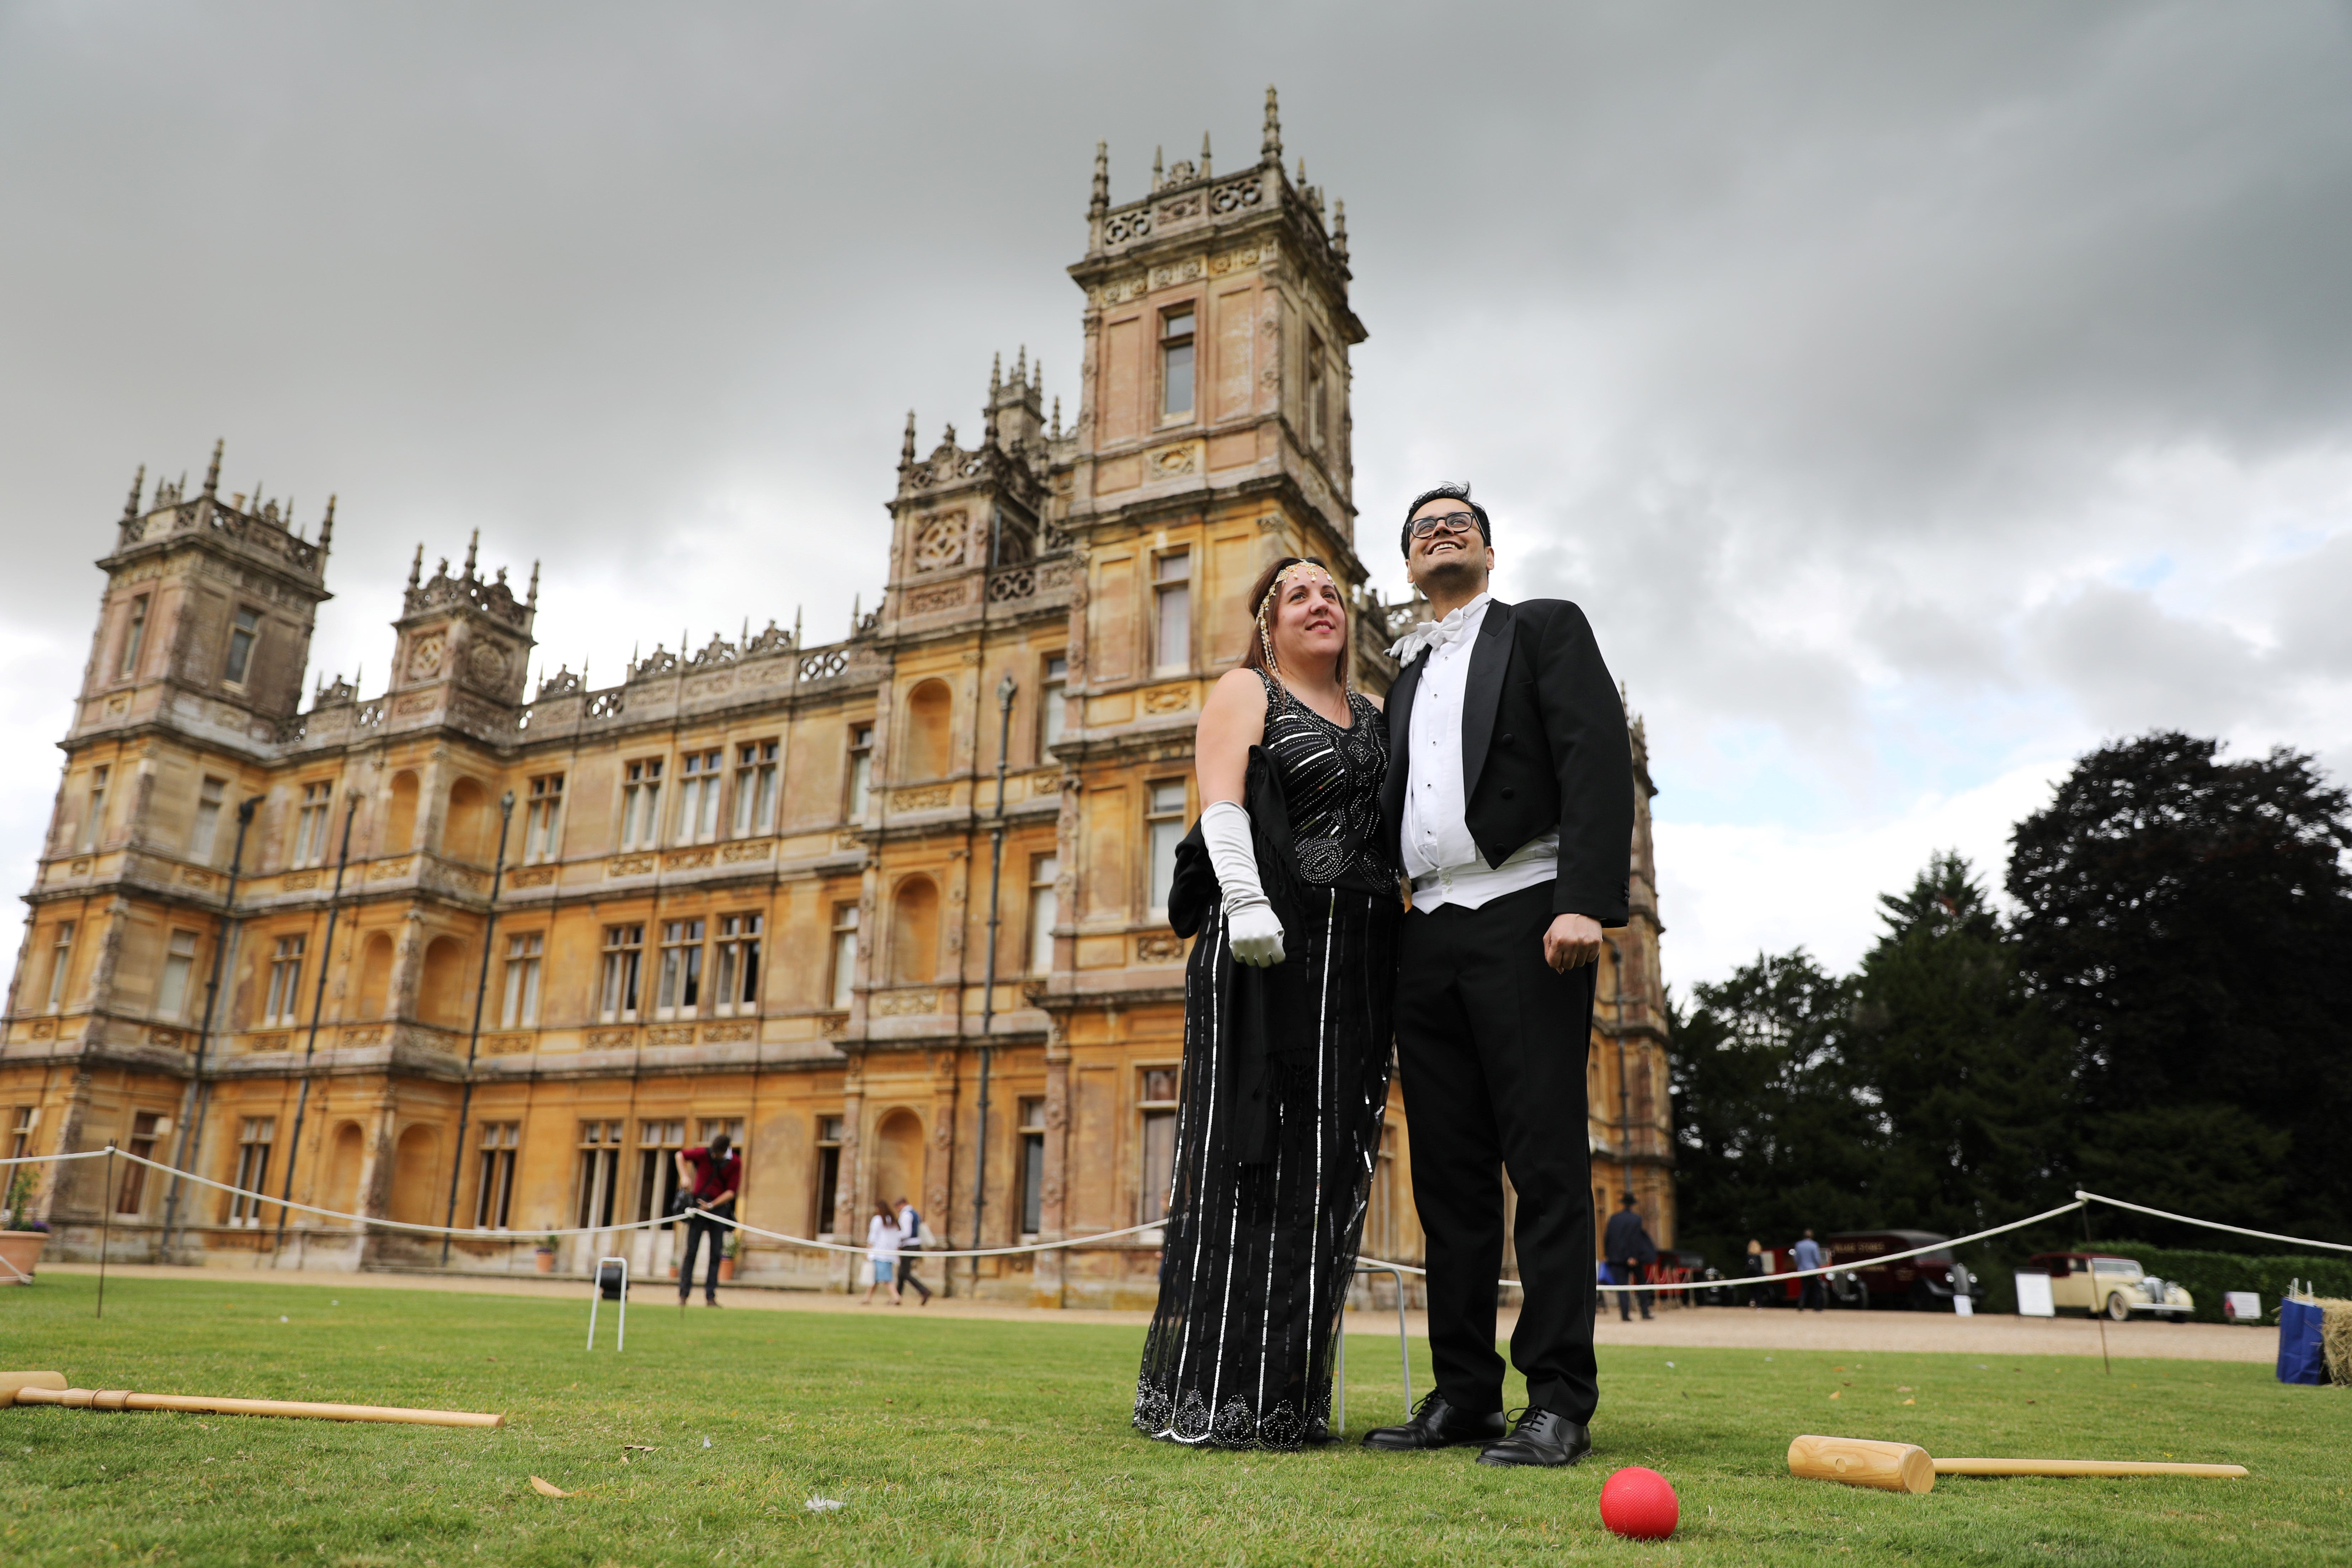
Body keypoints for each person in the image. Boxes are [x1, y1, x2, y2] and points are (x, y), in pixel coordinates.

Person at [1360, 484, 1633, 1470]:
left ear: (1486, 550)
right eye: (1422, 528)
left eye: (1457, 524)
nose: (1440, 532)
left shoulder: (1542, 629)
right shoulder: (1398, 678)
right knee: (1448, 1180)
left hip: (1526, 909)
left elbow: (1592, 758)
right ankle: (1465, 1393)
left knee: (1548, 1168)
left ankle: (1557, 1397)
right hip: (1423, 927)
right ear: (1405, 566)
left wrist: (1584, 898)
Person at [1132, 555, 1399, 1450]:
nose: (1320, 604)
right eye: (1299, 595)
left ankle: (1286, 1395)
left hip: (1359, 959)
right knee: (1246, 1149)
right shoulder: (1247, 689)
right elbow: (1222, 801)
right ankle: (1214, 1391)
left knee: (1328, 1165)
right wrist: (1245, 899)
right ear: (1269, 621)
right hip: (1264, 948)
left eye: (1331, 593)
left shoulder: (1374, 715)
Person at [673, 1131, 740, 1308]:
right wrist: (685, 1177)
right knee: (691, 1251)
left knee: (716, 1254)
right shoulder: (705, 1153)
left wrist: (711, 1206)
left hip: (718, 1209)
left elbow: (731, 1192)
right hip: (698, 1205)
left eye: (716, 1153)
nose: (713, 1155)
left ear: (724, 1151)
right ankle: (683, 1295)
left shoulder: (735, 1163)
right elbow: (680, 1155)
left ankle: (710, 1297)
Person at [1602, 1194, 1657, 1322]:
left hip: (1617, 1258)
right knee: (1641, 1285)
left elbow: (1608, 1238)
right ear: (1633, 1205)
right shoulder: (1636, 1219)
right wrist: (1633, 1256)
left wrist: (1607, 1254)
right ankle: (1645, 1313)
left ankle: (1625, 1315)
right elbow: (1635, 1239)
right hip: (1634, 1258)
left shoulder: (1614, 1219)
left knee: (1622, 1287)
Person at [894, 1193, 933, 1306]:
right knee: (902, 1273)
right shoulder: (914, 1213)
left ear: (902, 1204)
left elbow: (907, 1233)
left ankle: (924, 1291)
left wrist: (895, 1237)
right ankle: (897, 1297)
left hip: (909, 1245)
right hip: (915, 1244)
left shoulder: (906, 1215)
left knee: (904, 1273)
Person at [863, 1200, 902, 1306]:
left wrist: (868, 1250)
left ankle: (896, 1297)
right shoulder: (893, 1221)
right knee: (874, 1278)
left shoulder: (877, 1220)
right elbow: (897, 1239)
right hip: (890, 1253)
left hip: (879, 1253)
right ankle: (867, 1298)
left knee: (886, 1279)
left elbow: (873, 1237)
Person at [1794, 1229, 1827, 1312]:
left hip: (1803, 1270)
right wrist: (1819, 1266)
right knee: (1816, 1288)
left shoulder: (1799, 1245)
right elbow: (1817, 1258)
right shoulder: (1814, 1245)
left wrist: (1799, 1266)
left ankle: (1801, 1303)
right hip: (1813, 1270)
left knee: (1804, 1288)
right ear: (1812, 1236)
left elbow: (1796, 1258)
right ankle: (1817, 1307)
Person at [1742, 1239, 1768, 1308]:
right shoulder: (1758, 1256)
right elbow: (1761, 1266)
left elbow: (1745, 1265)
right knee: (1758, 1290)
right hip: (1758, 1275)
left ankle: (1752, 1300)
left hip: (1750, 1275)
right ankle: (1759, 1304)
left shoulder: (1747, 1256)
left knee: (1751, 1289)